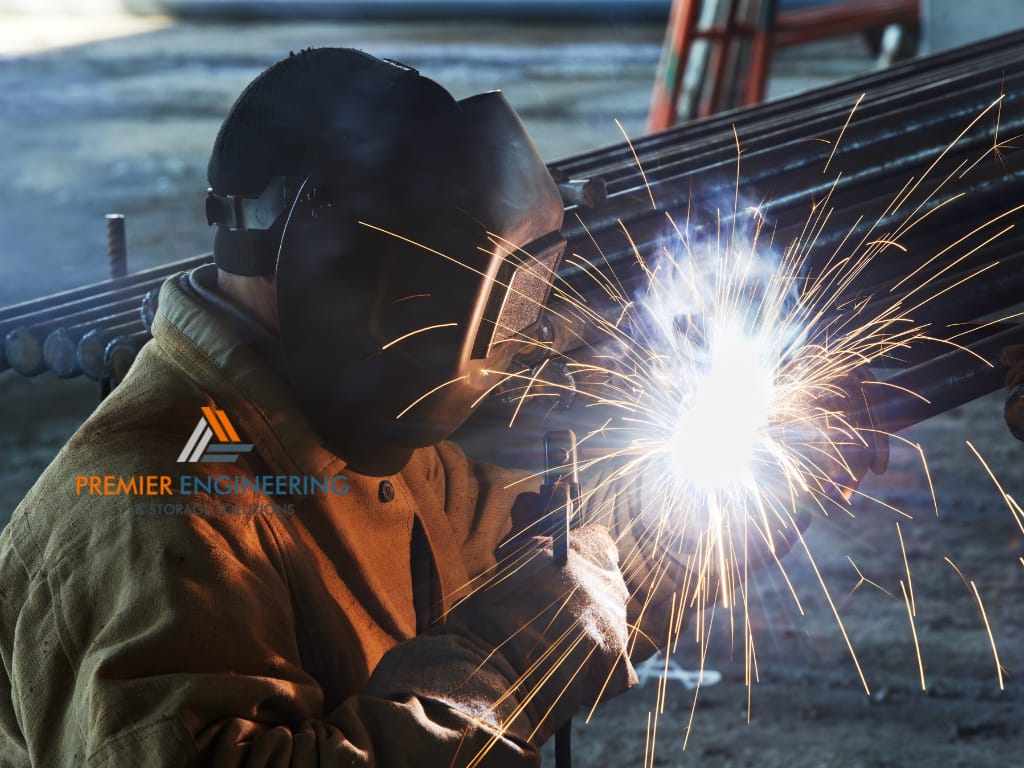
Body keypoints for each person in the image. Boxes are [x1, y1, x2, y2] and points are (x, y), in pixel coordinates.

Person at [0, 49, 883, 767]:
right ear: (346, 254)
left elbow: (576, 580)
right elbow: (529, 633)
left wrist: (760, 491)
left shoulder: (363, 435)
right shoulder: (160, 502)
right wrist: (509, 661)